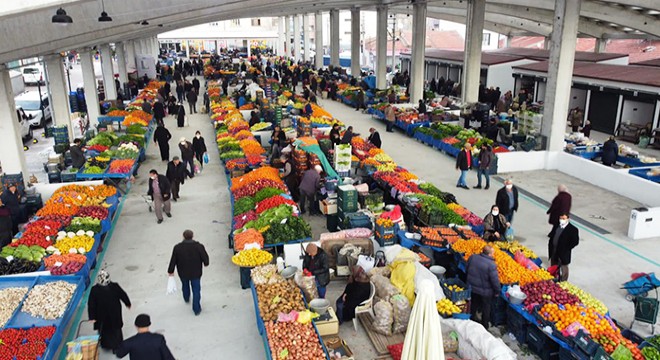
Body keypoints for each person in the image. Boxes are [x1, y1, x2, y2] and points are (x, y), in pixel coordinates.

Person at [167, 230, 210, 315]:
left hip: (183, 272)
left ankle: (186, 298)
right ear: (192, 236)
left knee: (185, 285)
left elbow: (173, 260)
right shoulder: (199, 247)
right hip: (196, 272)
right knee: (196, 290)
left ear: (183, 236)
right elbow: (205, 259)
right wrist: (205, 263)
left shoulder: (177, 248)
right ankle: (196, 309)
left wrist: (170, 271)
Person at [88, 269, 131, 352]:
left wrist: (92, 316)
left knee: (105, 331)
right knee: (115, 330)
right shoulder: (114, 286)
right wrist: (127, 303)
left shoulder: (95, 290)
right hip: (114, 313)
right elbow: (123, 295)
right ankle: (117, 346)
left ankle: (107, 345)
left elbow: (91, 305)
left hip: (101, 315)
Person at [466, 245, 500, 329]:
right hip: (485, 292)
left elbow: (467, 269)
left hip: (473, 288)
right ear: (489, 254)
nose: (493, 255)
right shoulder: (491, 265)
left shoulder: (473, 257)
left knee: (473, 304)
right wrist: (497, 291)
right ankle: (484, 325)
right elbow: (495, 281)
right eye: (492, 253)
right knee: (486, 308)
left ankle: (471, 321)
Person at [547, 214, 579, 281]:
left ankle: (563, 281)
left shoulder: (573, 229)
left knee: (564, 268)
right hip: (554, 250)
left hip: (563, 252)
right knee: (553, 266)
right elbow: (552, 235)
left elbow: (575, 242)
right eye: (561, 218)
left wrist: (566, 248)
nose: (562, 220)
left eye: (563, 218)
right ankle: (553, 280)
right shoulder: (556, 226)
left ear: (568, 219)